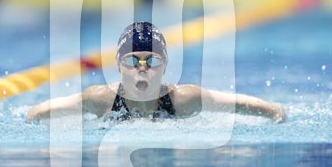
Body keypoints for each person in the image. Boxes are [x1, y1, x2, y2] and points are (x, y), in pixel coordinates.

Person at [27, 22, 287, 123]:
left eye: (151, 60)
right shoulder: (101, 99)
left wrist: (274, 111)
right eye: (132, 60)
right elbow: (38, 112)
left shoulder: (183, 99)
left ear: (165, 65)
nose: (142, 69)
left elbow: (236, 103)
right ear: (118, 65)